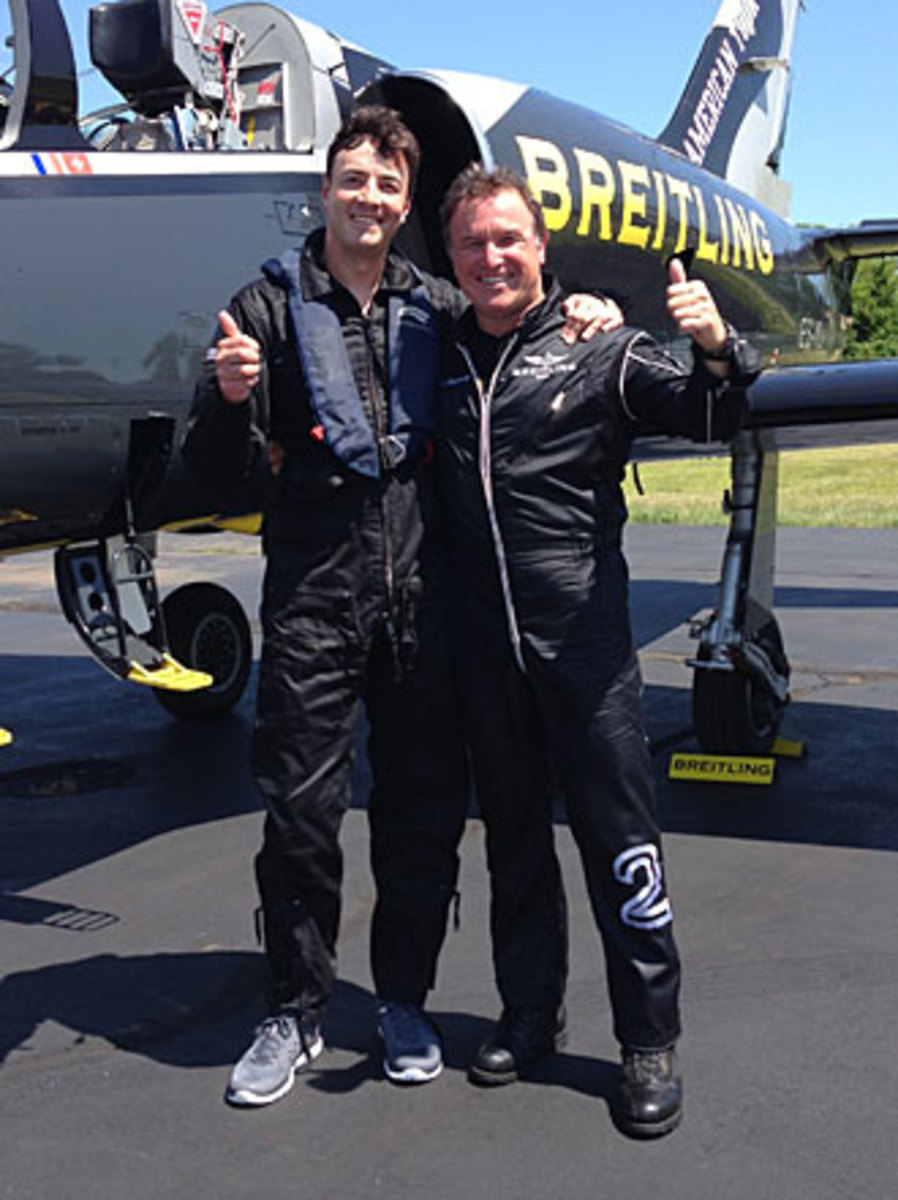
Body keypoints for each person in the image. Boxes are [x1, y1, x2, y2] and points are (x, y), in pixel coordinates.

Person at [184, 108, 619, 1107]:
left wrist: (583, 310)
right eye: (353, 179)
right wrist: (230, 397)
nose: (369, 197)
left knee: (421, 815)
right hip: (313, 597)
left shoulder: (436, 307)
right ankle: (293, 1009)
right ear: (325, 189)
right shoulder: (260, 308)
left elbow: (518, 328)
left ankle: (405, 1000)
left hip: (421, 600)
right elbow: (211, 469)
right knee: (299, 815)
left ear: (403, 199)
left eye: (387, 183)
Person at [436, 164, 761, 1138]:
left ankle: (646, 1040)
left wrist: (714, 344)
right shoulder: (437, 354)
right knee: (514, 849)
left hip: (584, 652)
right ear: (452, 259)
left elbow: (711, 415)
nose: (490, 257)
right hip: (486, 655)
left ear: (541, 249)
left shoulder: (602, 347)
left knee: (623, 853)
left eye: (507, 239)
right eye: (471, 243)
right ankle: (530, 1011)